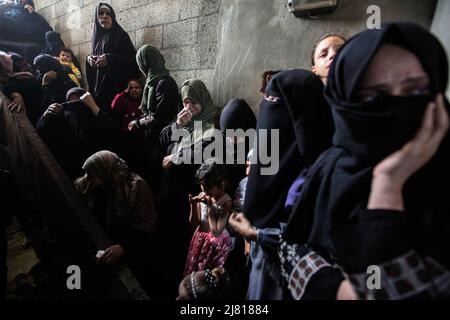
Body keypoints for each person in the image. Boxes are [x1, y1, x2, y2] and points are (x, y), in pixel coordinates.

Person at [282, 22, 450, 300]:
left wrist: (388, 185)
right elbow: (293, 245)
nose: (395, 105)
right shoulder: (330, 166)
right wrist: (339, 291)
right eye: (372, 96)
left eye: (414, 90)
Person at [239, 69, 335, 300]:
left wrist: (259, 236)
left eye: (277, 103)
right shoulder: (268, 166)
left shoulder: (323, 173)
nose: (270, 111)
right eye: (268, 102)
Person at [74, 150, 157, 293]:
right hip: (110, 237)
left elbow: (148, 226)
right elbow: (79, 185)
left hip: (133, 243)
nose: (87, 178)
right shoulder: (100, 182)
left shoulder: (136, 186)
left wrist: (123, 246)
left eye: (91, 175)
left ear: (104, 171)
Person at [128, 45, 180, 192]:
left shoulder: (165, 83)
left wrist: (138, 122)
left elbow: (160, 117)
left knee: (155, 176)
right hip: (152, 136)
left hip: (161, 139)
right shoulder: (153, 81)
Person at [85, 3, 139, 111]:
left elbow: (132, 61)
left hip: (115, 91)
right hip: (99, 90)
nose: (105, 16)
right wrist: (89, 59)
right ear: (96, 17)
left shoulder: (121, 35)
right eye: (101, 13)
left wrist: (109, 59)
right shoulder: (97, 38)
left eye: (108, 14)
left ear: (112, 17)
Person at [184, 159, 233, 276]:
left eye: (208, 187)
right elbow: (194, 223)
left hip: (215, 245)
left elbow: (216, 232)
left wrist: (211, 208)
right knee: (193, 271)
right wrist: (193, 204)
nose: (204, 190)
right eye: (202, 185)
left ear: (221, 184)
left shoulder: (226, 202)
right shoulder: (204, 195)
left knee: (205, 274)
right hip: (200, 240)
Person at [1, 50, 42, 124]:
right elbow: (6, 83)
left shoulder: (26, 73)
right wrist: (16, 95)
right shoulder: (14, 79)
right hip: (34, 110)